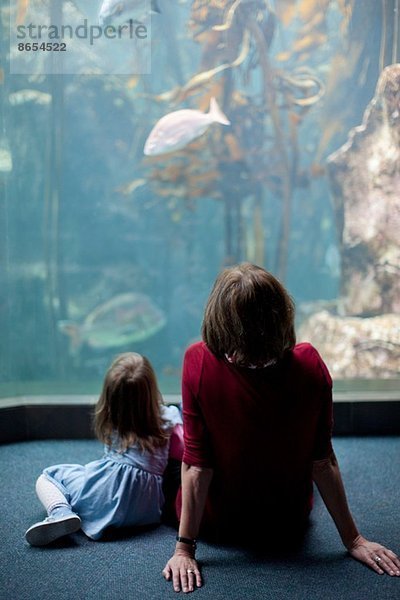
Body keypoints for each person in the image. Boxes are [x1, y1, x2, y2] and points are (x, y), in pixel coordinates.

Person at [162, 263, 400, 593]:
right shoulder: (310, 365)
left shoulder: (198, 361)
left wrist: (184, 548)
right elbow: (323, 461)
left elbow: (198, 467)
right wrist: (353, 539)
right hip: (289, 523)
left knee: (168, 452)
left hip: (217, 527)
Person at [25, 352, 183, 546]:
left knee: (49, 476)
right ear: (151, 389)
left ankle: (60, 512)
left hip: (105, 491)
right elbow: (181, 447)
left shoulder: (112, 417)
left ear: (110, 396)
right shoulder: (170, 418)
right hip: (148, 507)